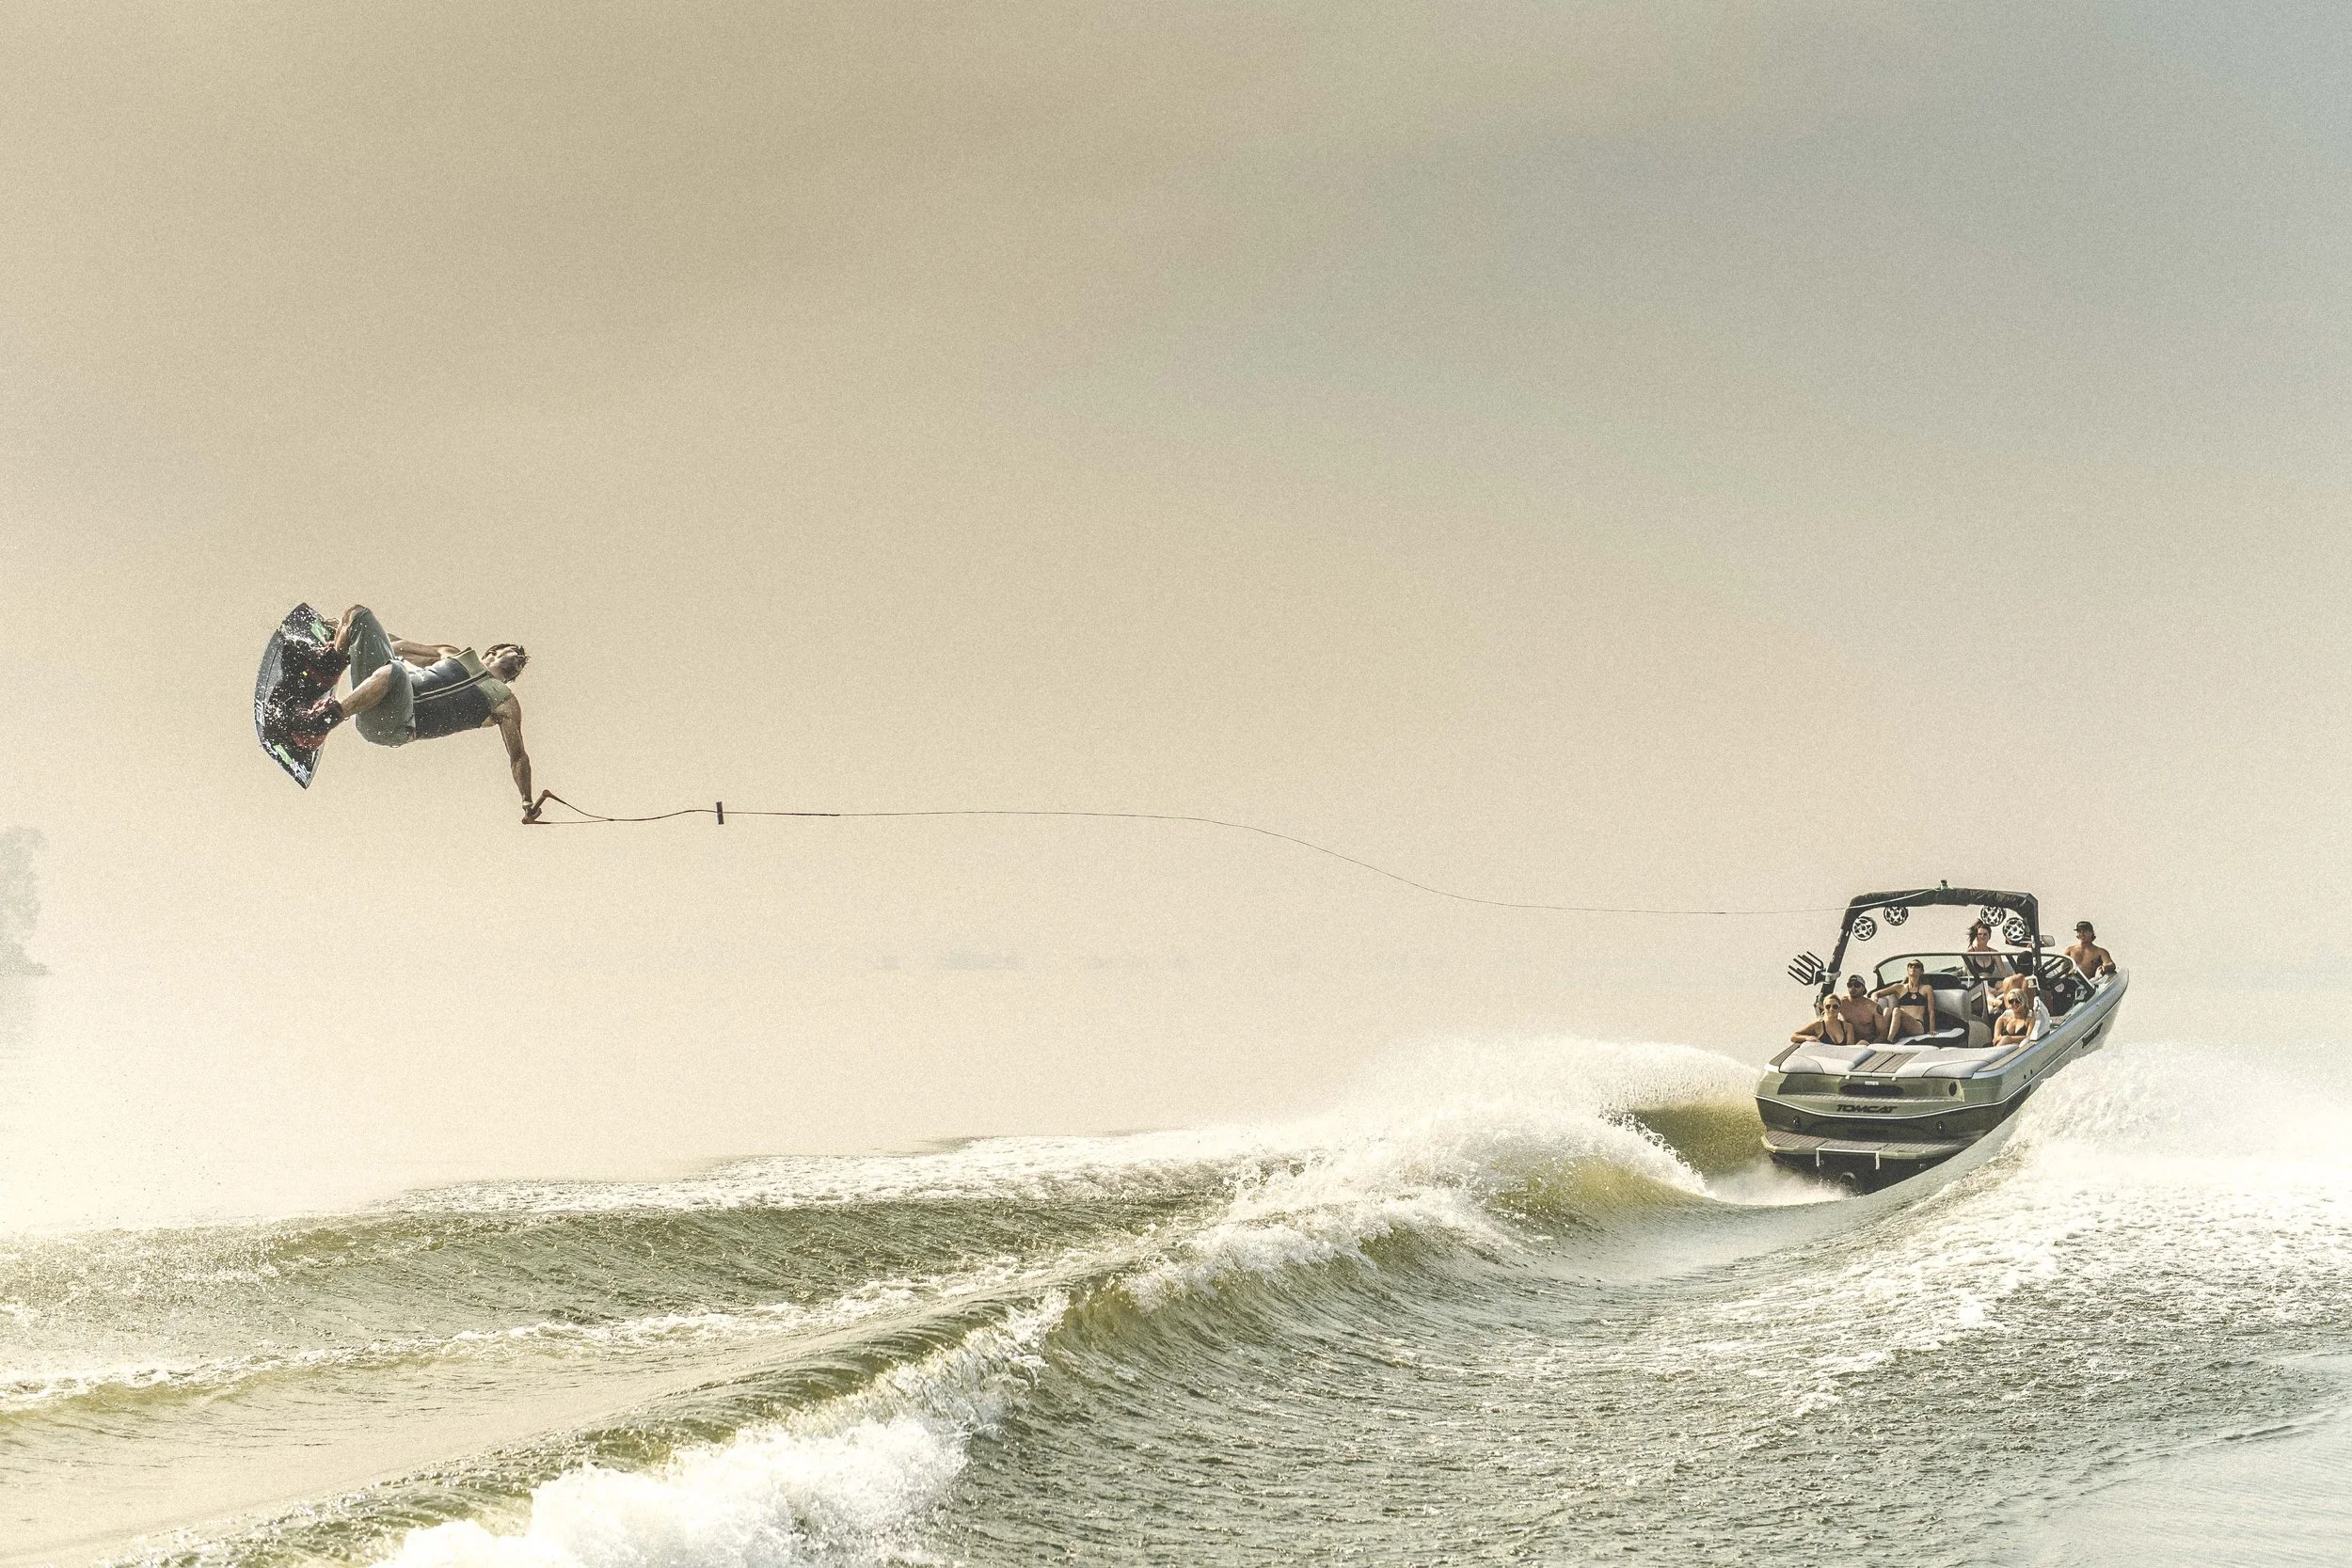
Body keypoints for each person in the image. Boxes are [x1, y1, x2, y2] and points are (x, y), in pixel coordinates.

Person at [304, 606, 545, 821]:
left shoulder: (504, 702)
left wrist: (527, 800)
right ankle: (324, 669)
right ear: (494, 651)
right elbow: (396, 645)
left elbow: (518, 757)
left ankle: (320, 722)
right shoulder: (451, 654)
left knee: (396, 671)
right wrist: (347, 632)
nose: (521, 660)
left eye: (521, 665)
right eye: (515, 652)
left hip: (395, 725)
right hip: (378, 690)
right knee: (359, 614)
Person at [1874, 959, 1940, 1042]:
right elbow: (1876, 994)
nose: (1913, 967)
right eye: (1910, 965)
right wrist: (1875, 1001)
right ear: (1907, 970)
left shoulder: (1926, 988)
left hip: (1917, 1026)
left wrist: (1932, 1030)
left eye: (1917, 966)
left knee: (1897, 1011)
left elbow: (1931, 1011)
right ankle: (1879, 1038)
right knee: (1887, 1010)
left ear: (1922, 971)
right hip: (1899, 1025)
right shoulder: (1899, 988)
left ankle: (1889, 1041)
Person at [1790, 992, 1858, 1048]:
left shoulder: (1847, 1027)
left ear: (1839, 1009)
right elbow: (1794, 1036)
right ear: (1824, 1008)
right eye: (1828, 1006)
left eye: (1835, 1006)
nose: (1831, 1009)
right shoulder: (1817, 1025)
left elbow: (1850, 1049)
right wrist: (1807, 1038)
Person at [1835, 974, 1886, 1044]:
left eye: (1857, 985)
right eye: (1850, 985)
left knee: (1862, 1043)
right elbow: (1826, 1011)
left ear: (1863, 988)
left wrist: (1872, 1046)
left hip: (1869, 1043)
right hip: (1849, 1042)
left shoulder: (1873, 1007)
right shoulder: (1842, 1003)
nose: (1852, 988)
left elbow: (1883, 1033)